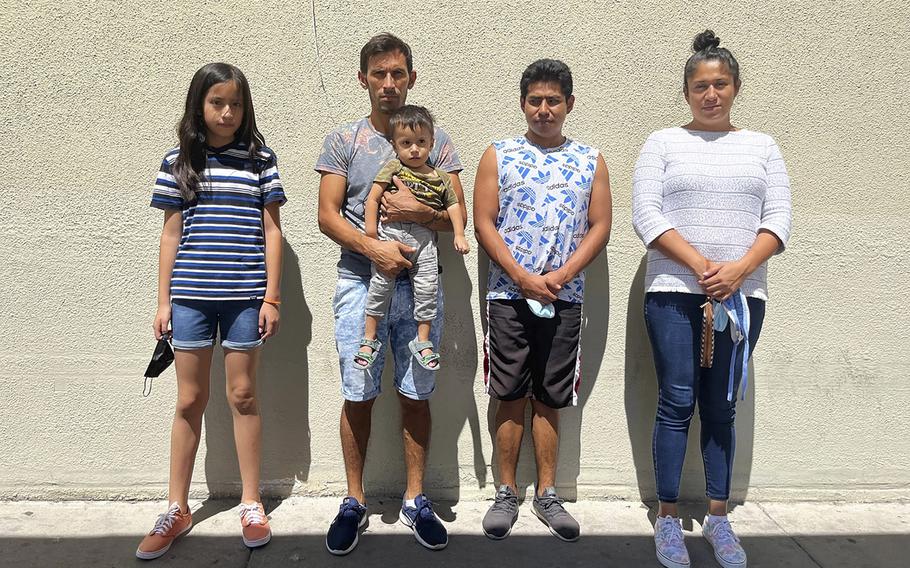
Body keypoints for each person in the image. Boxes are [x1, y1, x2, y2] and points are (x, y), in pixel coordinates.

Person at [632, 30, 792, 568]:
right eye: (701, 85)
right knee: (677, 402)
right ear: (686, 91)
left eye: (720, 84)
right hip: (675, 294)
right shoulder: (662, 143)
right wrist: (702, 267)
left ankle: (720, 519)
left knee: (722, 406)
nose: (711, 94)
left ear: (735, 87)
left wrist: (739, 271)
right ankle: (669, 519)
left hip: (742, 300)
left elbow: (777, 221)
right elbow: (647, 215)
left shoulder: (763, 146)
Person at [316, 33, 466, 554]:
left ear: (411, 77)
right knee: (358, 391)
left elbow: (455, 216)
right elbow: (326, 214)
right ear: (363, 79)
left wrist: (419, 214)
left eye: (397, 73)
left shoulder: (436, 140)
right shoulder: (344, 140)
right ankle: (354, 501)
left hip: (422, 285)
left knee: (415, 393)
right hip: (361, 282)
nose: (388, 83)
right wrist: (373, 247)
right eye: (378, 74)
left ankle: (415, 499)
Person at [137, 63, 285, 560]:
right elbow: (170, 235)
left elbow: (272, 232)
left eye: (236, 104)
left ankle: (250, 501)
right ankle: (176, 507)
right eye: (217, 102)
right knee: (188, 400)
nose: (227, 112)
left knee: (243, 393)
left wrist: (271, 297)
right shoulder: (179, 161)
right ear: (199, 105)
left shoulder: (260, 159)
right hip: (191, 299)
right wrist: (163, 302)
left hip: (245, 297)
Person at [474, 59, 612, 543]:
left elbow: (600, 226)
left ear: (569, 105)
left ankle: (548, 494)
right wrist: (520, 276)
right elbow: (484, 221)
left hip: (565, 296)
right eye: (535, 100)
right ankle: (506, 492)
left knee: (551, 398)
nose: (544, 109)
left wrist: (561, 275)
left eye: (554, 101)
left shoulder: (590, 159)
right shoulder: (499, 154)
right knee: (509, 394)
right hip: (508, 297)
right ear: (523, 104)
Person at [354, 104, 470, 372]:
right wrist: (371, 235)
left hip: (425, 241)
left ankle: (424, 340)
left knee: (427, 288)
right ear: (395, 145)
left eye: (421, 142)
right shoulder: (393, 169)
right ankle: (369, 338)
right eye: (406, 143)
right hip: (390, 234)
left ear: (431, 143)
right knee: (381, 284)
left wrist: (460, 234)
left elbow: (454, 207)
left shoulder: (439, 176)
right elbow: (372, 199)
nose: (414, 149)